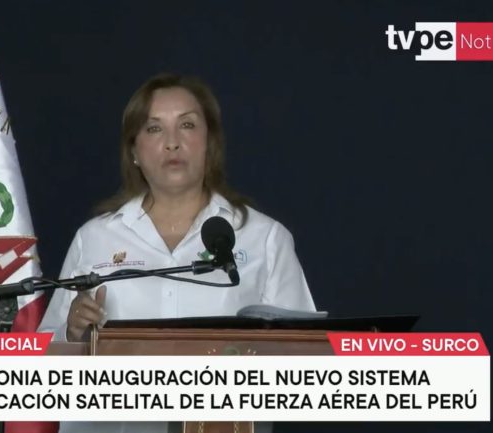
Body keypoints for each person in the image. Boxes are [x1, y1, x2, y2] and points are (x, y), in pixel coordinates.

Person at [38, 73, 316, 433]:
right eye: (154, 128)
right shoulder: (94, 238)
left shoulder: (263, 237)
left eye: (187, 125)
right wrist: (73, 331)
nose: (172, 143)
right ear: (134, 151)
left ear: (209, 142)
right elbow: (44, 363)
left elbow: (307, 360)